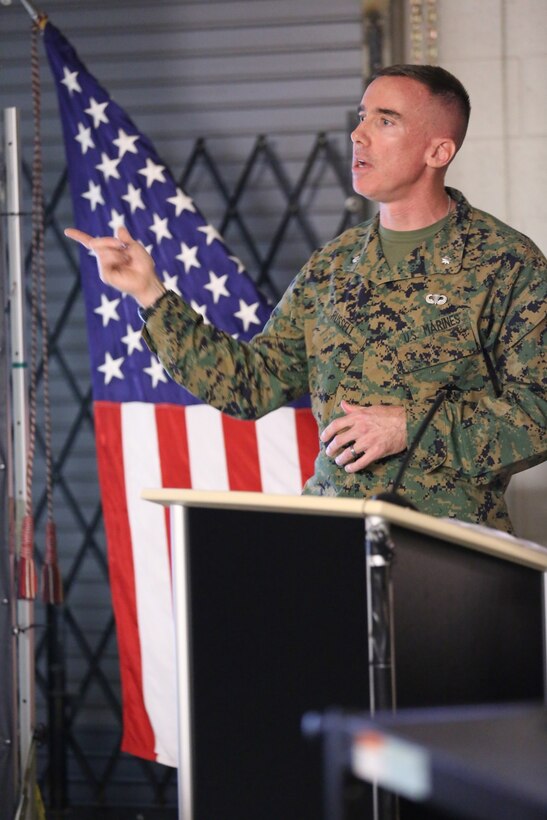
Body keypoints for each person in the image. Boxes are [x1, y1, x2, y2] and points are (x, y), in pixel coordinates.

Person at [65, 64, 547, 532]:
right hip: (332, 537)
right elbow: (252, 385)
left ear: (438, 151)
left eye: (385, 121)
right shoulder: (333, 265)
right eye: (361, 116)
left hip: (447, 546)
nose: (358, 135)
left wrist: (410, 427)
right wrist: (149, 293)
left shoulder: (505, 263)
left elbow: (538, 415)